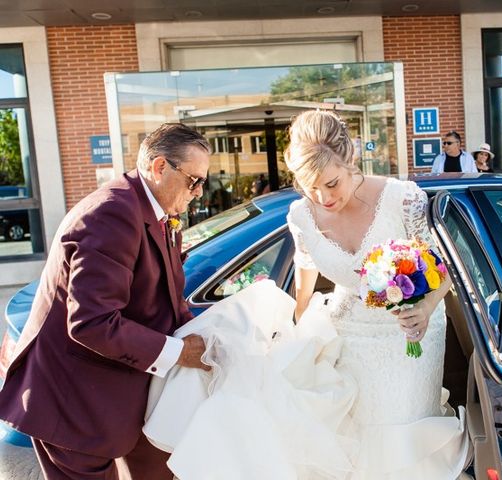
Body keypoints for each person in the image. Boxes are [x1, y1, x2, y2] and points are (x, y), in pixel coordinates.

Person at [143, 111, 469, 479]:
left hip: (411, 336)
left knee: (398, 440)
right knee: (348, 442)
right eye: (309, 186)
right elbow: (306, 274)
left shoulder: (401, 199)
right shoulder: (301, 215)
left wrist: (426, 306)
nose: (323, 197)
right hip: (346, 337)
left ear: (350, 160)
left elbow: (448, 267)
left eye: (332, 183)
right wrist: (294, 327)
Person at [0, 123, 213, 480]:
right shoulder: (111, 214)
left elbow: (164, 301)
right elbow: (92, 323)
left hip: (120, 398)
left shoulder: (154, 212)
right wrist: (179, 353)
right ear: (160, 168)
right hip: (73, 406)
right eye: (194, 181)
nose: (199, 193)